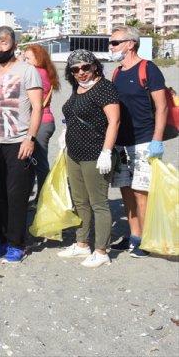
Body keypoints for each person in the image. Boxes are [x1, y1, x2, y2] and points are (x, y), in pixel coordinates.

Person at [0, 27, 43, 264]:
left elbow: (37, 107)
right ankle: (4, 239)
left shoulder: (28, 71)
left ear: (14, 44)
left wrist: (31, 138)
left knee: (17, 195)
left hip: (19, 141)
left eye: (3, 44)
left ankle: (18, 244)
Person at [108, 25, 169, 258]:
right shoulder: (117, 72)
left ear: (130, 44)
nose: (110, 47)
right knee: (126, 191)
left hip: (144, 140)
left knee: (142, 192)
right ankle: (134, 236)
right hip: (121, 143)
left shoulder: (148, 69)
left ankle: (146, 239)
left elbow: (162, 107)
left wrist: (157, 140)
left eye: (115, 43)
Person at [58, 50, 120, 268]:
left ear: (95, 66)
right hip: (74, 153)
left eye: (85, 67)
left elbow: (115, 122)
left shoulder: (105, 88)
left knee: (99, 203)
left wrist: (106, 151)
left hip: (95, 154)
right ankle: (82, 243)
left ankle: (102, 250)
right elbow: (73, 113)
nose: (81, 72)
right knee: (80, 201)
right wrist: (65, 132)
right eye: (75, 69)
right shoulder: (79, 87)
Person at [22, 45, 60, 192]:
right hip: (45, 121)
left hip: (41, 123)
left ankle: (44, 197)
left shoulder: (37, 73)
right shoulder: (45, 71)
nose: (25, 61)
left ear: (38, 58)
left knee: (40, 163)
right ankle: (35, 195)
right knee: (33, 161)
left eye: (28, 58)